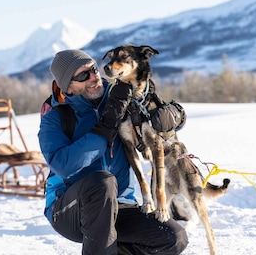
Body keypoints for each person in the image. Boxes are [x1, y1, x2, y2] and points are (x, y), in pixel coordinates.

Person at [38, 49, 188, 255]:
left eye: (93, 70)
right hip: (70, 209)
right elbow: (63, 166)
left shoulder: (118, 97)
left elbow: (149, 99)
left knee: (173, 237)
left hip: (122, 204)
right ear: (68, 86)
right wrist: (104, 129)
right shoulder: (56, 116)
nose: (93, 78)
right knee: (102, 181)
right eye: (83, 76)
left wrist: (174, 115)